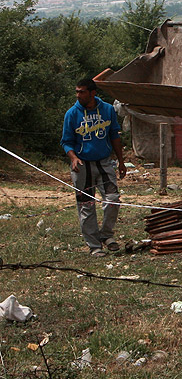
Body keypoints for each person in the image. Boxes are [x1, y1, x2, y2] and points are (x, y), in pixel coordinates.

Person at [61, 77, 127, 257]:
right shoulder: (72, 114)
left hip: (104, 163)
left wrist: (121, 161)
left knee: (112, 199)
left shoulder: (107, 110)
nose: (78, 95)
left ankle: (106, 235)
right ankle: (94, 245)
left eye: (82, 92)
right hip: (82, 166)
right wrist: (73, 157)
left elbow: (114, 135)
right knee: (86, 205)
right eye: (77, 91)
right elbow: (66, 142)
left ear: (92, 93)